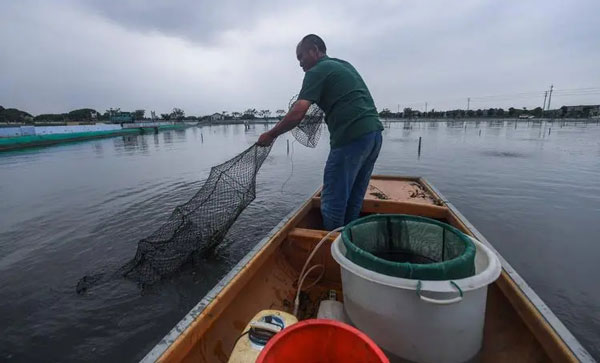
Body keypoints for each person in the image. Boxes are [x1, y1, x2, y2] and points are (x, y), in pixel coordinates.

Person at [257, 34, 383, 230]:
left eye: (301, 57)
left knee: (332, 200)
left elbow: (298, 112)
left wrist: (271, 134)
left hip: (350, 137)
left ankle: (330, 250)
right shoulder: (343, 65)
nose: (300, 63)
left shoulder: (316, 71)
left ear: (314, 50)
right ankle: (348, 243)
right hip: (374, 136)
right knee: (354, 196)